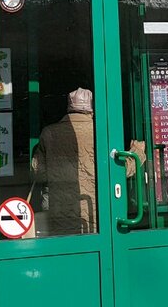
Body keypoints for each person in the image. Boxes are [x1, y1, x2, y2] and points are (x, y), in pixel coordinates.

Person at [31, 87, 97, 234]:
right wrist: (138, 153)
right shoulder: (99, 132)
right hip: (93, 209)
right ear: (91, 109)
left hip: (58, 211)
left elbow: (38, 173)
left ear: (69, 107)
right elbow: (117, 170)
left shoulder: (49, 132)